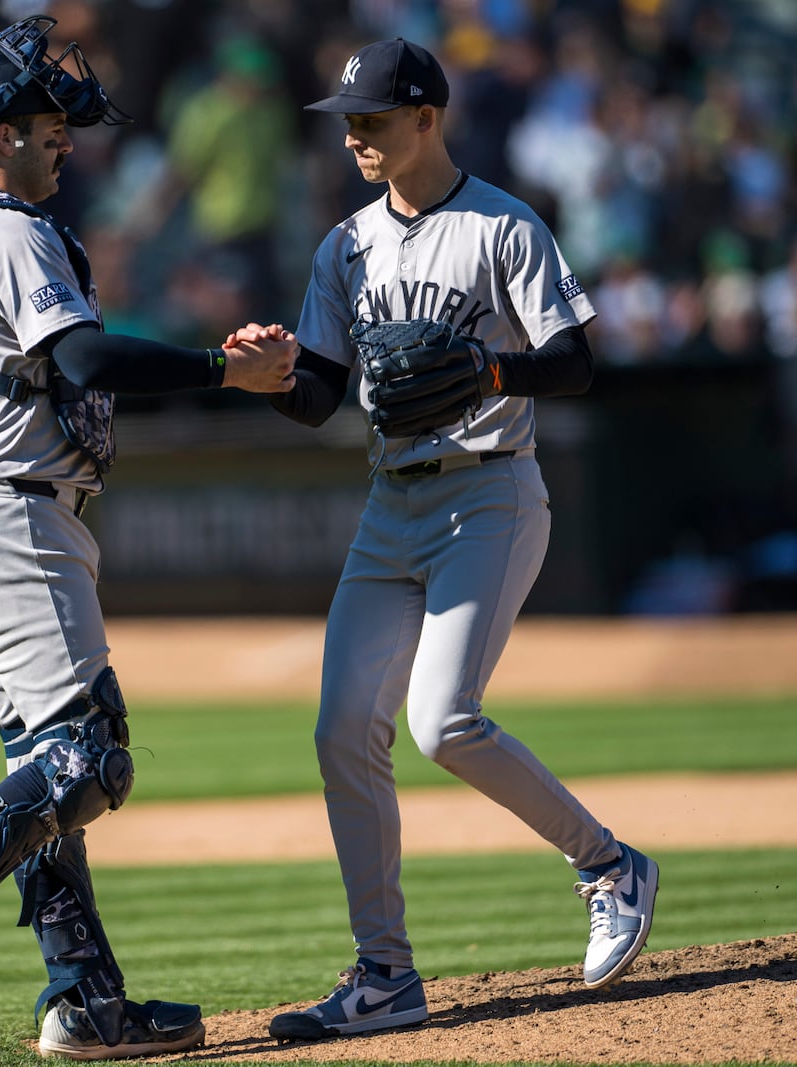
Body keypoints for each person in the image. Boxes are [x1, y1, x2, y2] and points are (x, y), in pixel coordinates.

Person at [0, 15, 298, 1061]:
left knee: (49, 775)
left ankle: (85, 999)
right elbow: (82, 361)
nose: (63, 139)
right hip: (9, 518)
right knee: (90, 759)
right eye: (44, 121)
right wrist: (228, 371)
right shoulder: (5, 227)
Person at [251, 38, 659, 1042]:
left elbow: (572, 361)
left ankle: (608, 862)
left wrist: (489, 375)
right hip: (390, 506)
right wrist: (266, 373)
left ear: (426, 117)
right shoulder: (342, 245)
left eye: (373, 119)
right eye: (345, 119)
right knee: (343, 727)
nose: (353, 134)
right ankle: (383, 973)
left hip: (491, 494)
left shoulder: (501, 227)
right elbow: (318, 395)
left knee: (443, 722)